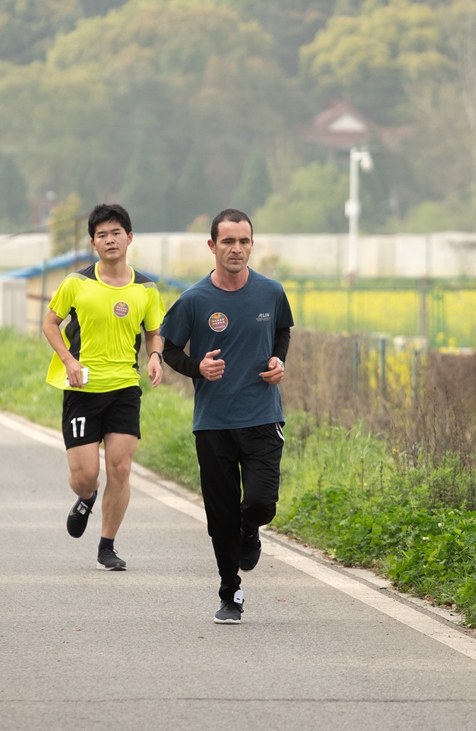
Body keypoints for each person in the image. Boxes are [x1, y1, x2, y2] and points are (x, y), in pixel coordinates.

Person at [159, 209, 294, 625]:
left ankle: (250, 529)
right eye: (228, 241)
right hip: (213, 424)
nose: (236, 249)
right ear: (212, 246)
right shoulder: (195, 300)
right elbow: (169, 350)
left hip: (261, 418)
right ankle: (229, 591)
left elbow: (283, 331)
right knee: (220, 517)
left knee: (259, 504)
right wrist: (197, 368)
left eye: (244, 241)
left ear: (252, 244)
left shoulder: (270, 292)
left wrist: (278, 361)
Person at [42, 204, 163, 572]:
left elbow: (154, 330)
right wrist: (68, 360)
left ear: (129, 237)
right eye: (102, 235)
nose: (110, 240)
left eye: (116, 233)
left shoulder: (146, 288)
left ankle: (107, 545)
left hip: (125, 387)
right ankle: (87, 496)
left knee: (121, 468)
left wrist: (155, 356)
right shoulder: (76, 283)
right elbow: (50, 323)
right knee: (85, 475)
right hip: (82, 389)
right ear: (93, 243)